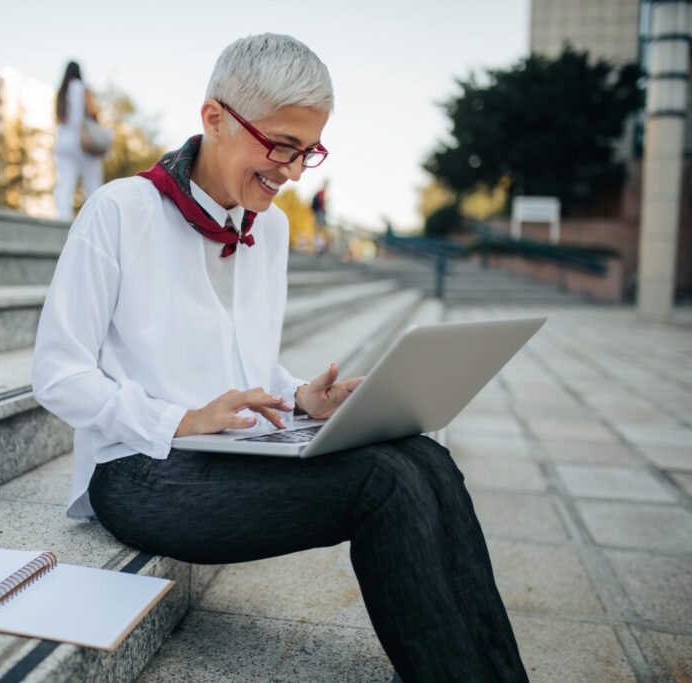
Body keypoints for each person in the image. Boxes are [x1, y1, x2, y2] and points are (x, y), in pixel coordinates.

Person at [32, 34, 528, 683]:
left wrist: (297, 397)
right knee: (383, 484)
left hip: (228, 455)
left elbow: (243, 365)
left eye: (308, 150)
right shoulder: (119, 212)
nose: (294, 171)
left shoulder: (269, 229)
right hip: (136, 470)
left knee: (426, 456)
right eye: (282, 146)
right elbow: (57, 373)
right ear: (213, 118)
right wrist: (181, 419)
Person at [53, 60, 104, 220]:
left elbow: (61, 119)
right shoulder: (82, 89)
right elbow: (92, 113)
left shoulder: (61, 92)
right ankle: (93, 218)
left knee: (65, 182)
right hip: (83, 142)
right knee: (92, 181)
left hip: (64, 142)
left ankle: (62, 215)